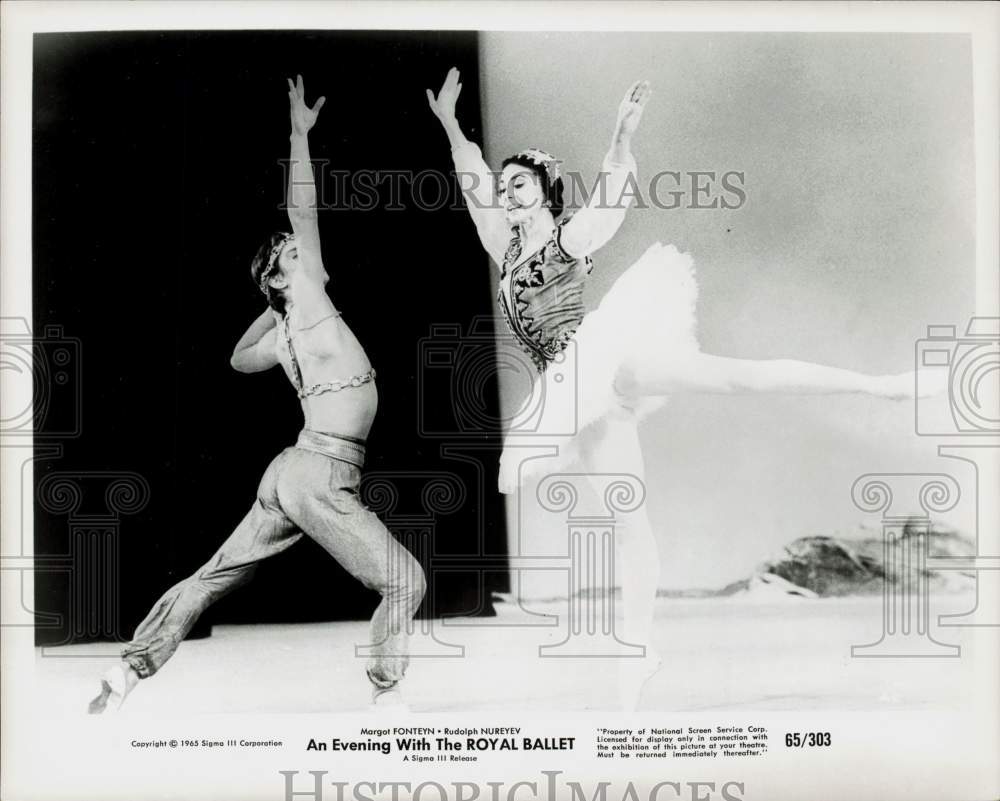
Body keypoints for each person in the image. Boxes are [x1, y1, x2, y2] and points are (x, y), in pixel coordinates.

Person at [427, 67, 926, 710]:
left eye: (519, 183)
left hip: (603, 358)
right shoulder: (504, 247)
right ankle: (640, 650)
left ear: (546, 191)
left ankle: (880, 387)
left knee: (737, 377)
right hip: (574, 392)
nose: (507, 192)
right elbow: (471, 183)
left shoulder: (568, 238)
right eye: (505, 186)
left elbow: (611, 194)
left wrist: (620, 134)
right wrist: (447, 124)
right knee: (626, 521)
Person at [89, 75, 425, 714]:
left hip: (293, 471)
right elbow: (303, 208)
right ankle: (388, 696)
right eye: (296, 254)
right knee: (406, 580)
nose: (310, 252)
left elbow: (239, 359)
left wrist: (273, 308)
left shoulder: (287, 332)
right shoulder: (315, 307)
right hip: (321, 473)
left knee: (217, 574)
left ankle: (128, 669)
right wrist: (300, 137)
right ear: (281, 274)